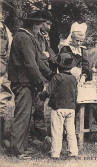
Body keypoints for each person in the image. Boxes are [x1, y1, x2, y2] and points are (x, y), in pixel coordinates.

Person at [6, 12, 46, 159]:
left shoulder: (27, 37)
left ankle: (20, 147)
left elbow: (39, 61)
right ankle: (16, 150)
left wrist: (51, 75)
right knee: (22, 116)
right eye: (40, 25)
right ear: (34, 25)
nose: (41, 29)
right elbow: (31, 64)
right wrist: (40, 83)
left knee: (26, 115)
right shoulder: (23, 38)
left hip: (26, 82)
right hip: (23, 82)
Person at [39, 53, 78, 159]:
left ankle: (55, 153)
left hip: (58, 108)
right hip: (71, 108)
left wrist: (41, 96)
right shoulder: (73, 79)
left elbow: (48, 92)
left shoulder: (57, 77)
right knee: (71, 130)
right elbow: (75, 94)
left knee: (57, 130)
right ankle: (73, 151)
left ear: (57, 66)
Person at [32, 10, 57, 141]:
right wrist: (45, 56)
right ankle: (38, 133)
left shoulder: (44, 35)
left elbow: (49, 51)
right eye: (47, 24)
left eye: (50, 25)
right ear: (40, 22)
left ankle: (37, 131)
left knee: (39, 102)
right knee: (37, 103)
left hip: (44, 70)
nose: (49, 27)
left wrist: (56, 59)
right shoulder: (34, 35)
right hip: (37, 71)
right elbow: (37, 55)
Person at [0, 14, 12, 144]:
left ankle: (1, 137)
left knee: (1, 103)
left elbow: (9, 50)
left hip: (1, 71)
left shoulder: (4, 28)